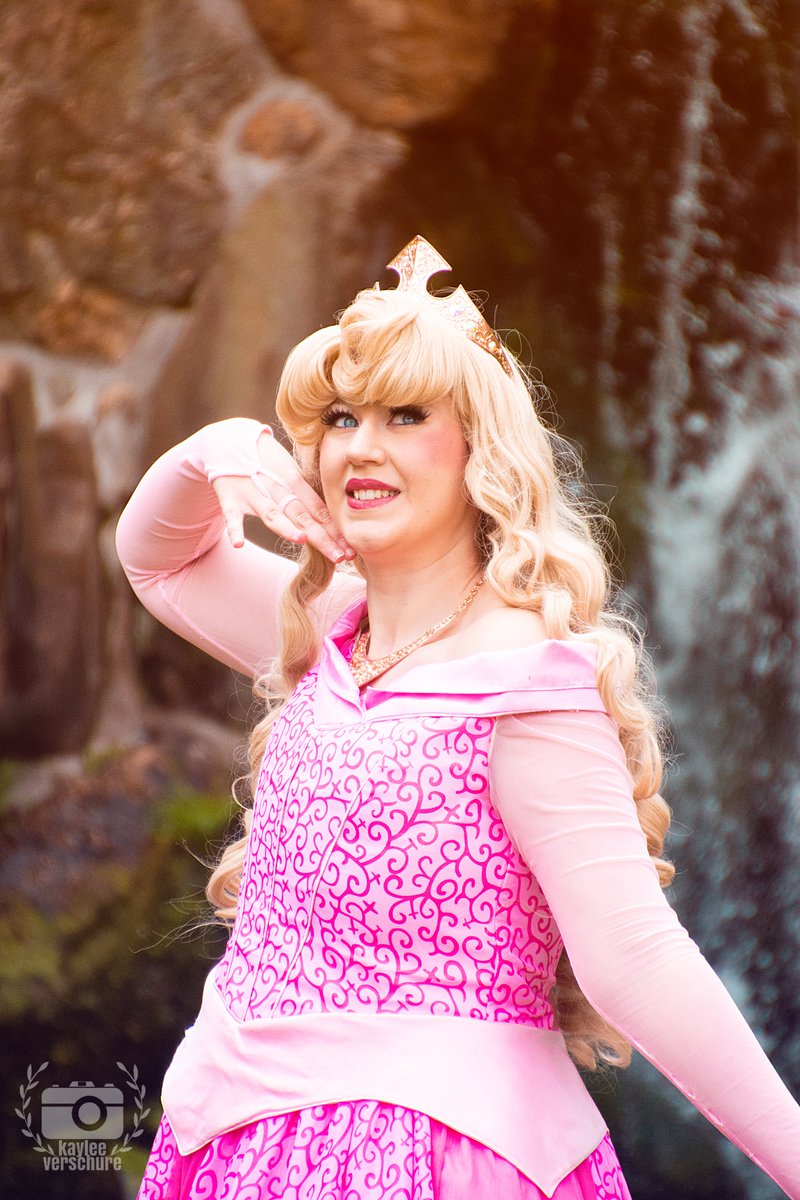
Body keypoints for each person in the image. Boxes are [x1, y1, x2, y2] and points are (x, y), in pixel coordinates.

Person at [117, 236, 800, 1200]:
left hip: (433, 1159)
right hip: (233, 1144)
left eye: (407, 416)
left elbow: (636, 958)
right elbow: (158, 559)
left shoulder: (527, 681)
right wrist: (214, 450)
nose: (362, 446)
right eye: (343, 418)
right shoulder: (325, 628)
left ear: (482, 451)